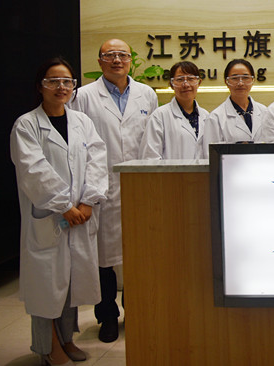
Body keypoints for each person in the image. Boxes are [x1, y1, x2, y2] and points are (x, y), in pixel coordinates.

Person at [10, 57, 108, 365]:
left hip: (80, 215)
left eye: (67, 81)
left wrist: (88, 201)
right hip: (50, 217)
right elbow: (33, 170)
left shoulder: (82, 122)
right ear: (40, 86)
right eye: (53, 81)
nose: (61, 87)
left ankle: (67, 339)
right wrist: (65, 206)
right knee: (46, 287)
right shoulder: (27, 124)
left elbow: (97, 161)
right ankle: (48, 346)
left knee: (71, 283)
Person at [69, 39, 157, 343]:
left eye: (122, 55)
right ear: (100, 61)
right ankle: (106, 316)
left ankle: (136, 310)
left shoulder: (147, 94)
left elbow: (151, 140)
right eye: (110, 55)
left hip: (137, 185)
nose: (117, 60)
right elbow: (77, 142)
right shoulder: (83, 96)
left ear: (130, 60)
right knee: (103, 258)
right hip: (100, 187)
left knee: (137, 254)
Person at [139, 61, 209, 159]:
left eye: (191, 79)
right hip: (171, 170)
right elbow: (150, 157)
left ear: (199, 83)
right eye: (180, 79)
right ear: (172, 84)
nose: (186, 84)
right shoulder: (159, 116)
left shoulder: (206, 116)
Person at [200, 58, 267, 157]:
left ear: (253, 80)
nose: (240, 83)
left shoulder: (265, 112)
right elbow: (210, 155)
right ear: (226, 82)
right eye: (235, 78)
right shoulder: (215, 117)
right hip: (230, 167)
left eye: (245, 77)